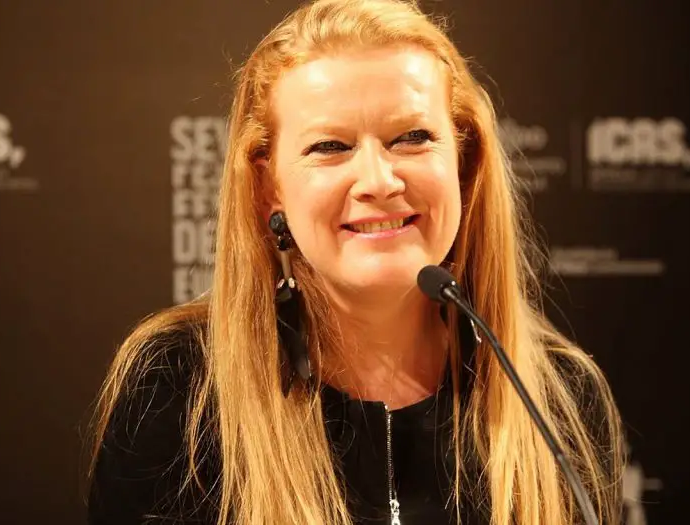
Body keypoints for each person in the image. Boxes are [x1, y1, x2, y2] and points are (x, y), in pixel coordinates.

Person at [85, 0, 626, 523]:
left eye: (412, 138)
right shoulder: (178, 388)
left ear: (463, 163)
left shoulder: (559, 399)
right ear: (268, 188)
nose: (378, 181)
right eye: (331, 147)